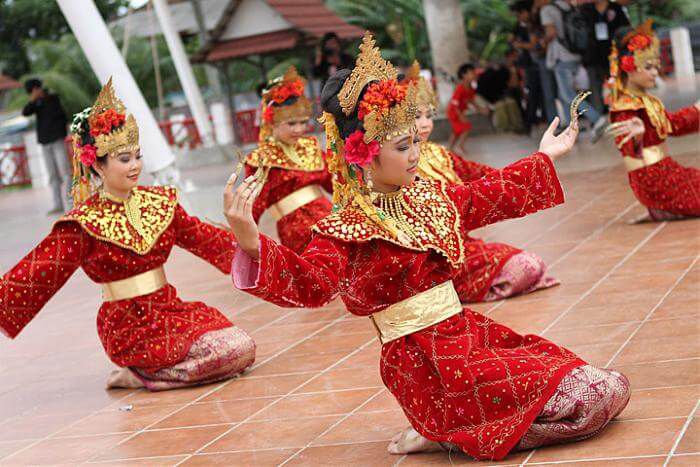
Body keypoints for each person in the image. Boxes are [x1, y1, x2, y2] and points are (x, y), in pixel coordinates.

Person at [224, 33, 630, 461]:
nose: (416, 153)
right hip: (426, 366)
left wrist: (545, 157)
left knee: (601, 386)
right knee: (590, 400)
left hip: (470, 336)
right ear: (363, 154)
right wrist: (250, 241)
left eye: (416, 141)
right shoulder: (344, 228)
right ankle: (445, 427)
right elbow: (310, 285)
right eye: (403, 146)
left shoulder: (428, 197)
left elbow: (489, 193)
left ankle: (450, 428)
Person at [1, 79, 255, 391]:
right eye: (124, 159)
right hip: (126, 324)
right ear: (96, 164)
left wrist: (252, 244)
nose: (135, 166)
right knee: (224, 353)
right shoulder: (84, 223)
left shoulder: (160, 203)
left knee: (240, 347)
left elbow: (208, 241)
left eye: (137, 156)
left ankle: (148, 373)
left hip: (169, 309)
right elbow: (34, 274)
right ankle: (137, 373)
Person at [406, 63, 559, 303]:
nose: (425, 124)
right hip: (431, 258)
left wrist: (539, 161)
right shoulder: (396, 167)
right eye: (416, 116)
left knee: (530, 264)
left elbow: (486, 177)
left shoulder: (439, 154)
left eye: (429, 116)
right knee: (525, 266)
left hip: (462, 245)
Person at [606, 21, 700, 222]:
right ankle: (661, 206)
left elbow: (672, 124)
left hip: (666, 172)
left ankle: (662, 209)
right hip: (654, 182)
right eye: (648, 67)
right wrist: (637, 138)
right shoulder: (626, 107)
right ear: (629, 68)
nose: (655, 72)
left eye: (655, 66)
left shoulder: (646, 100)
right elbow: (628, 149)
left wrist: (697, 109)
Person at [244, 66, 333, 254]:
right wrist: (247, 243)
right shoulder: (262, 160)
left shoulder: (310, 147)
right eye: (291, 123)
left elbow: (336, 182)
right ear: (272, 123)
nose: (299, 129)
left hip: (330, 221)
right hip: (296, 233)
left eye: (303, 122)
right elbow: (251, 209)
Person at [540, 0, 608, 141]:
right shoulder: (570, 6)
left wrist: (543, 42)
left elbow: (551, 32)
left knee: (567, 95)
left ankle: (597, 118)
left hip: (561, 56)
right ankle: (570, 132)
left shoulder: (547, 10)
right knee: (564, 93)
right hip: (575, 54)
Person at [22, 78, 70, 214]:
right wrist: (33, 100)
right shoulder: (35, 104)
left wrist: (62, 134)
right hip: (45, 143)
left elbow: (63, 117)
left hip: (57, 141)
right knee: (52, 175)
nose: (34, 93)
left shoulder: (53, 98)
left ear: (38, 88)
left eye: (34, 90)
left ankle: (71, 202)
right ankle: (58, 204)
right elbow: (25, 112)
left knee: (65, 172)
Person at [580, 0, 630, 116]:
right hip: (593, 56)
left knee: (617, 84)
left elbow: (625, 29)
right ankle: (598, 118)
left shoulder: (616, 8)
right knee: (594, 88)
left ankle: (623, 110)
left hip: (612, 55)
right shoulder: (586, 10)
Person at [511, 0, 546, 132]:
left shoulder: (533, 24)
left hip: (535, 64)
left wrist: (519, 45)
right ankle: (533, 121)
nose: (518, 17)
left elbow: (533, 45)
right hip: (528, 64)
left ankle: (530, 123)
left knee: (534, 93)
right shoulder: (519, 26)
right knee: (534, 93)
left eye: (519, 14)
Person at [446, 63, 489, 153]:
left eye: (474, 72)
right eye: (471, 73)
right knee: (466, 127)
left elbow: (471, 101)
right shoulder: (460, 88)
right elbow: (455, 104)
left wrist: (480, 109)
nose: (474, 75)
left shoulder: (471, 89)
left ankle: (449, 148)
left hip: (458, 112)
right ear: (464, 75)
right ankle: (460, 146)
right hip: (454, 112)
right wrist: (461, 116)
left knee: (457, 131)